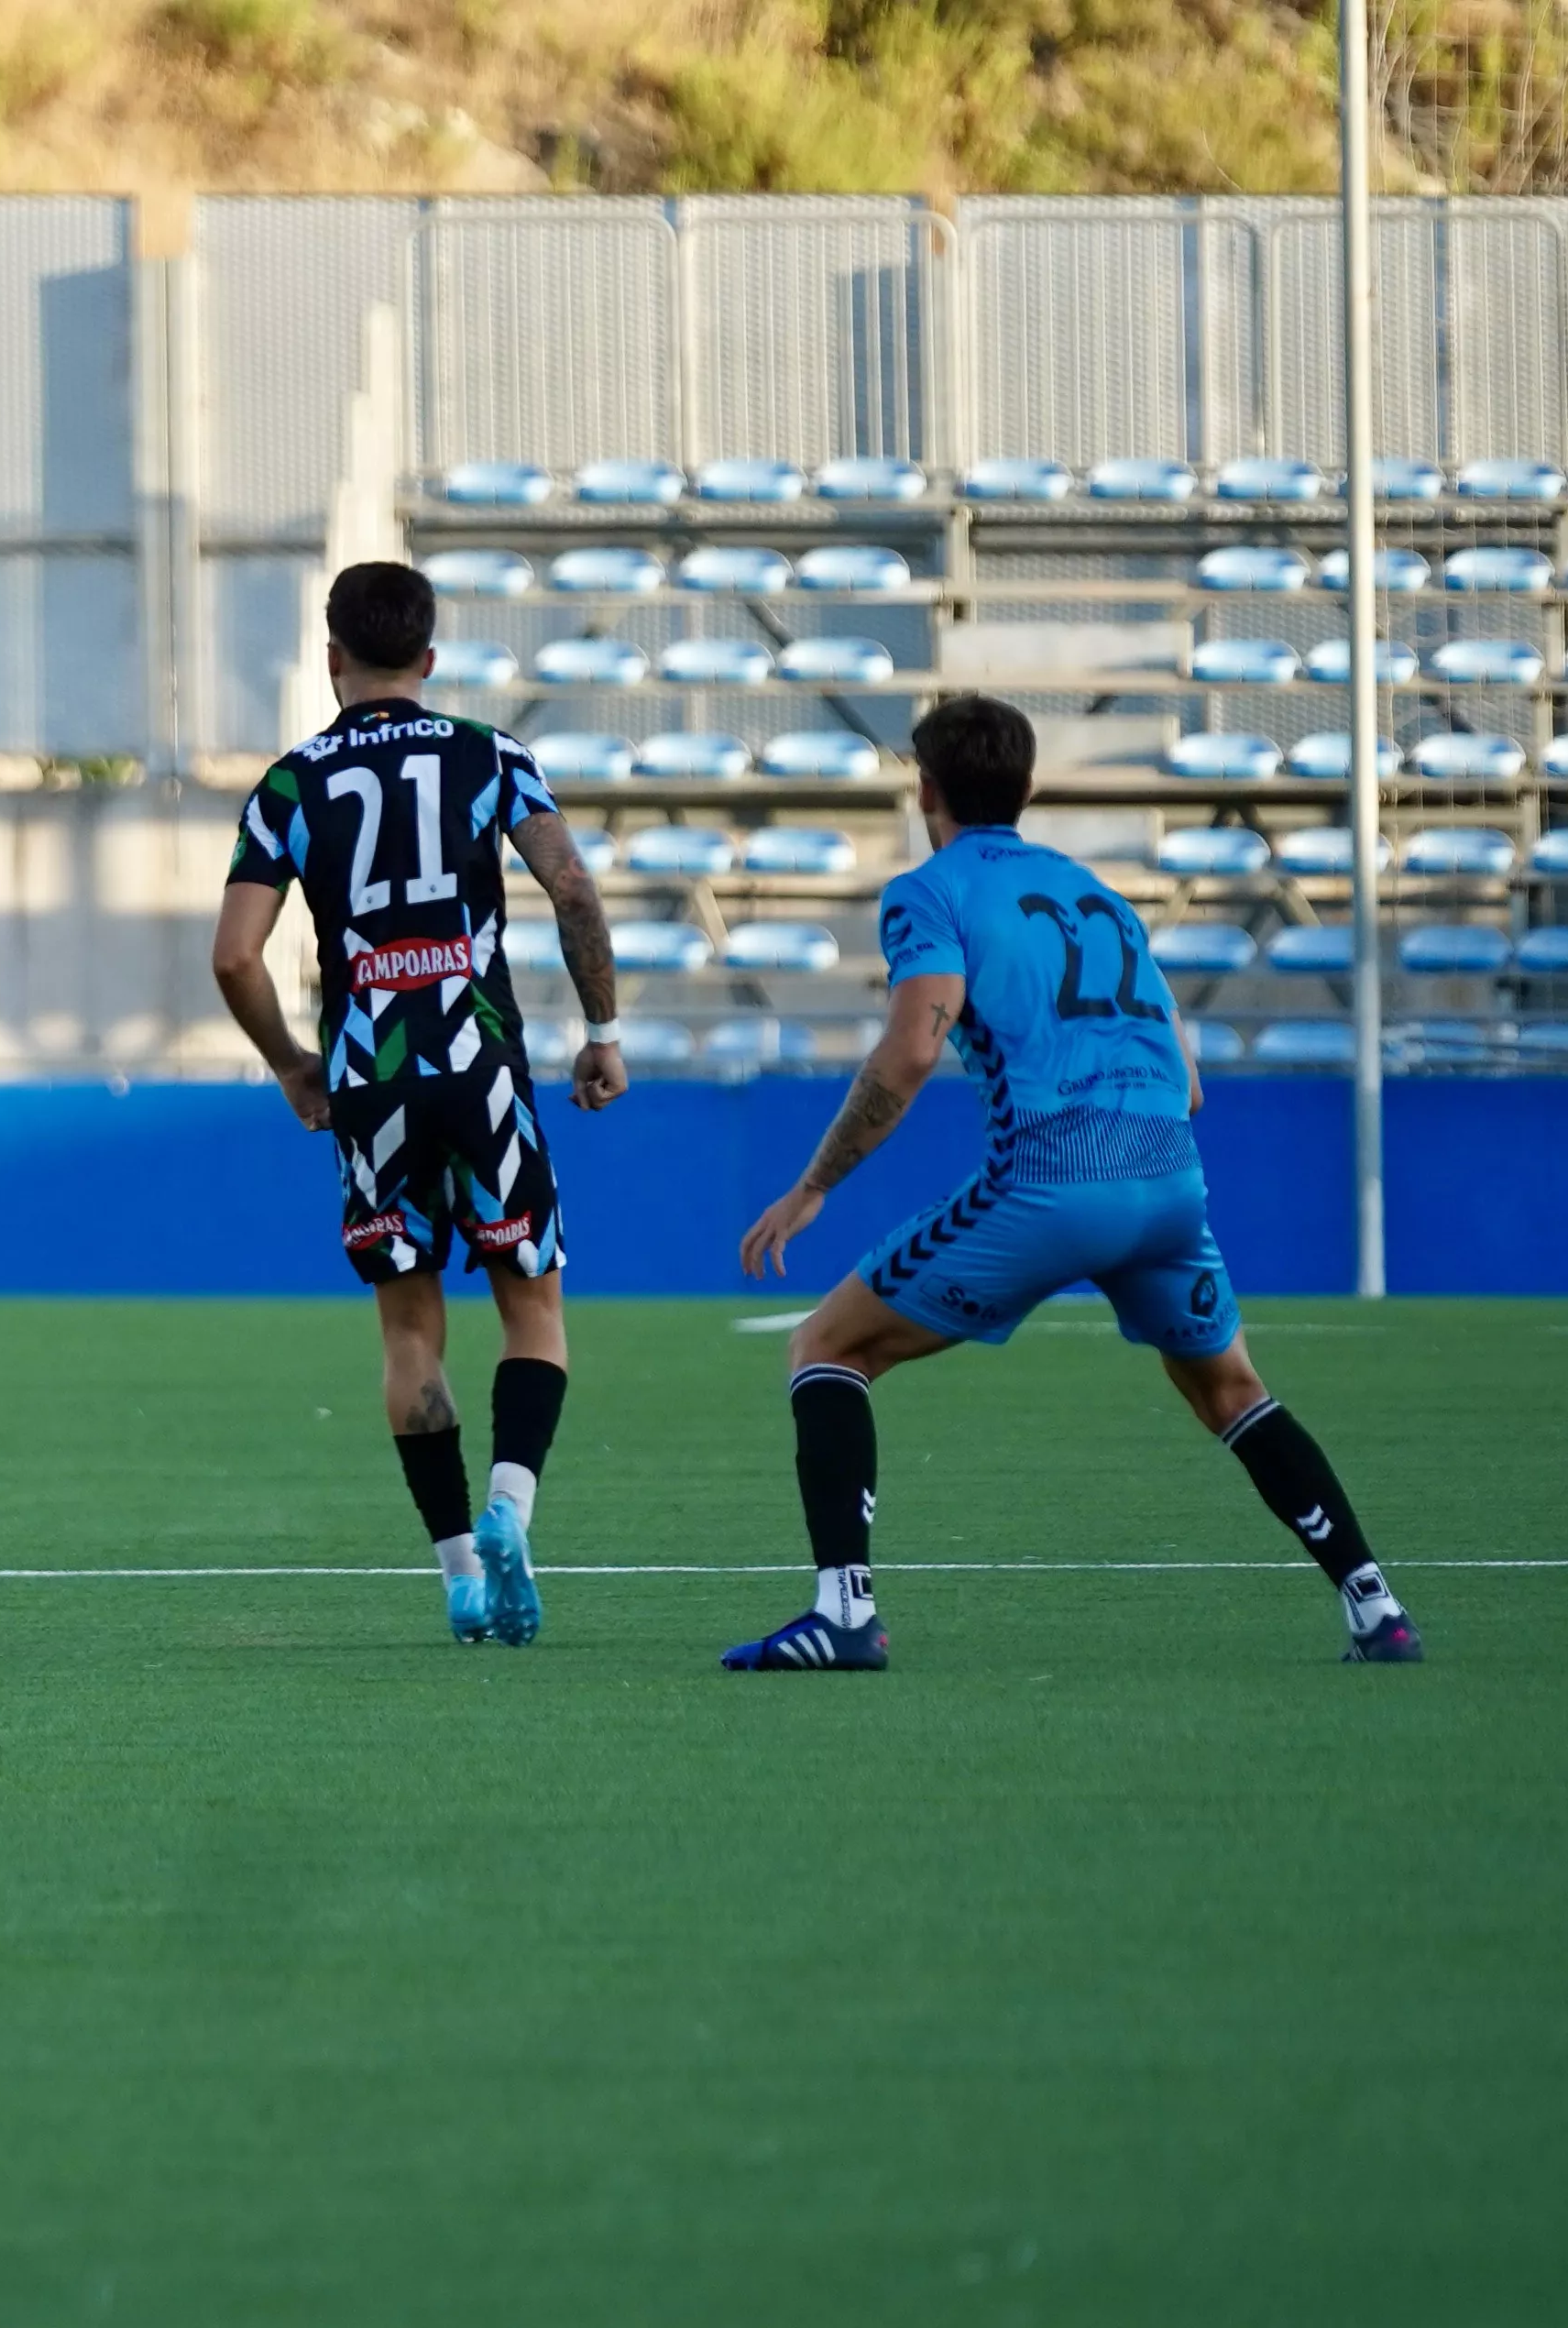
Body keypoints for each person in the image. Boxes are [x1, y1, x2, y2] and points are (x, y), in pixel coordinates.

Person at [729, 693, 1422, 1668]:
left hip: (1054, 1180)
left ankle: (844, 1614)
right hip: (1172, 1181)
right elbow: (1187, 1081)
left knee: (826, 1347)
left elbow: (910, 1053)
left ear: (924, 788)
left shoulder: (929, 892)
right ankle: (1374, 1604)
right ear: (1029, 788)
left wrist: (813, 1185)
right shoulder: (1103, 897)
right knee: (1231, 1391)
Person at [211, 560, 629, 1643]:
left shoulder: (290, 786)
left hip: (369, 1079)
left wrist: (295, 1065)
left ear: (332, 654)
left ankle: (456, 1576)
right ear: (432, 659)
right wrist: (601, 1031)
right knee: (532, 1307)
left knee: (410, 1331)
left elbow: (234, 959)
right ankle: (510, 1506)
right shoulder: (490, 754)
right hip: (481, 1064)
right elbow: (572, 887)